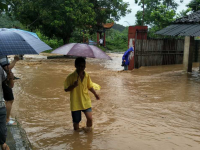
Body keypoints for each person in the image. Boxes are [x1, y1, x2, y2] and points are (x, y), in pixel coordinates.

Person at [64, 57, 100, 131]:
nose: (81, 68)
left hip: (86, 101)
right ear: (75, 65)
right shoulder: (70, 77)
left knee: (90, 119)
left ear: (85, 66)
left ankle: (88, 135)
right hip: (75, 103)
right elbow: (66, 89)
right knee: (76, 123)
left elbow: (89, 86)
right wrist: (73, 85)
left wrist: (95, 94)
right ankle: (77, 139)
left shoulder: (87, 75)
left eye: (83, 66)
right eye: (79, 66)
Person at [0, 55, 19, 125]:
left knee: (6, 100)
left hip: (4, 79)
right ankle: (7, 119)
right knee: (10, 99)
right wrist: (15, 60)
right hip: (4, 80)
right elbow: (8, 68)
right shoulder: (2, 56)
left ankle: (6, 117)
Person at [0, 65, 14, 150]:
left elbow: (10, 85)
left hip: (0, 106)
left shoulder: (0, 69)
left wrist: (10, 78)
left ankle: (3, 143)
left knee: (2, 132)